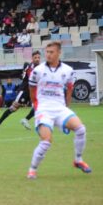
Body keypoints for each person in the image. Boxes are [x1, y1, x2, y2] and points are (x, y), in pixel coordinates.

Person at [26, 41, 91, 179]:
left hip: (60, 109)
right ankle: (32, 169)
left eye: (51, 52)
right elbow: (31, 89)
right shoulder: (38, 71)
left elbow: (69, 90)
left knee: (81, 129)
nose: (48, 55)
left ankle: (78, 160)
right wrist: (37, 106)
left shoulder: (68, 70)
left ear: (58, 53)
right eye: (47, 52)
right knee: (46, 141)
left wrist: (66, 109)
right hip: (44, 109)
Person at [0, 51, 41, 132]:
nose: (37, 59)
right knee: (14, 108)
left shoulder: (41, 67)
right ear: (32, 58)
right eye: (35, 57)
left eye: (38, 57)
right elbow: (32, 78)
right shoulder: (30, 67)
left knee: (38, 107)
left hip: (34, 90)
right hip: (25, 90)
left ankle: (25, 120)